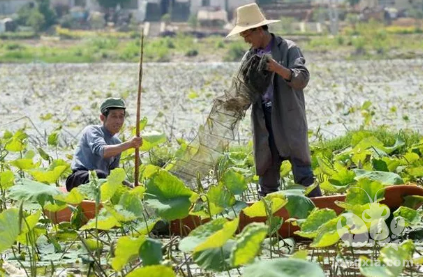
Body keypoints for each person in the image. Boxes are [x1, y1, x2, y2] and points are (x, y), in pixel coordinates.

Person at [227, 3, 322, 197]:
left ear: (259, 29)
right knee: (267, 174)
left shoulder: (288, 49)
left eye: (248, 35)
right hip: (264, 120)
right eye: (244, 37)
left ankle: (320, 209)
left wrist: (277, 68)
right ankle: (269, 219)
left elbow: (301, 79)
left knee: (303, 173)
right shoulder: (249, 57)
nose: (246, 41)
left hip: (288, 117)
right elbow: (244, 89)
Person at [66, 97, 143, 191]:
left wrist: (130, 186)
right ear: (102, 118)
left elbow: (113, 174)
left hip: (101, 181)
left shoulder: (117, 143)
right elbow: (103, 151)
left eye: (121, 116)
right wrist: (130, 144)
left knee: (106, 179)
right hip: (79, 178)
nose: (118, 121)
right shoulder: (92, 130)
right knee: (99, 175)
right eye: (114, 116)